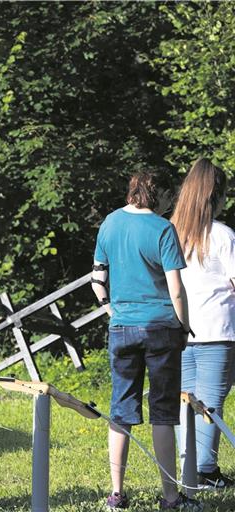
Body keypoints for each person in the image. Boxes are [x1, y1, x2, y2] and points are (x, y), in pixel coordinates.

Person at [91, 170, 202, 511]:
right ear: (160, 196)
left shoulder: (109, 224)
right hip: (161, 328)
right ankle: (170, 498)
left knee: (120, 411)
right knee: (164, 414)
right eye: (170, 197)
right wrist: (184, 326)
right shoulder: (162, 229)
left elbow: (97, 278)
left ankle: (116, 494)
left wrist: (110, 310)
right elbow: (177, 289)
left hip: (122, 327)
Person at [171, 158, 235, 489]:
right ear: (216, 196)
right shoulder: (223, 236)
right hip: (217, 331)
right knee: (210, 404)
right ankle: (206, 471)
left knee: (186, 401)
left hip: (179, 331)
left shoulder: (171, 235)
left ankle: (188, 468)